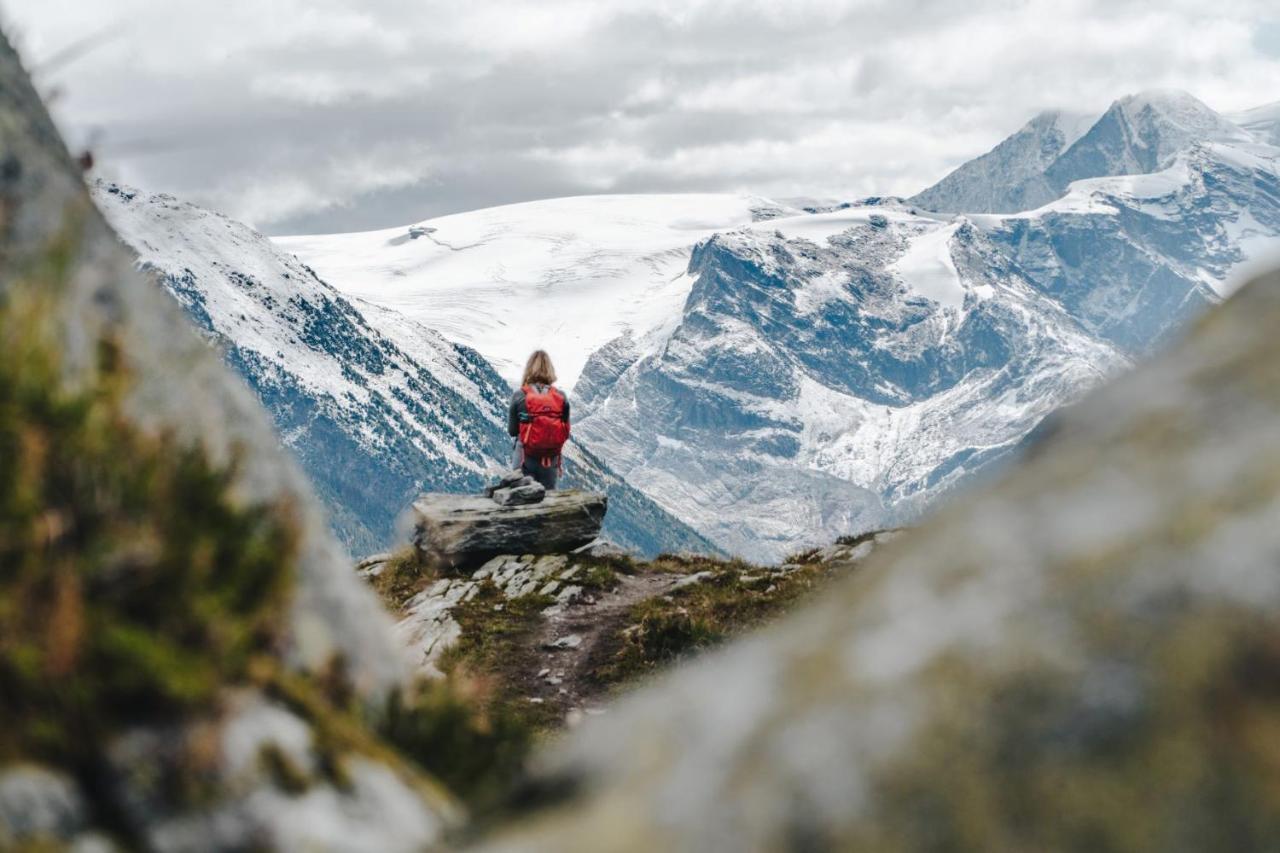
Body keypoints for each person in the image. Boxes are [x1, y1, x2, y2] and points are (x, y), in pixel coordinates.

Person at [508, 350, 571, 489]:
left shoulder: (520, 395)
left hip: (524, 458)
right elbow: (565, 432)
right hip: (550, 460)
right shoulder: (561, 397)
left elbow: (512, 431)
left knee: (521, 499)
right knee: (547, 502)